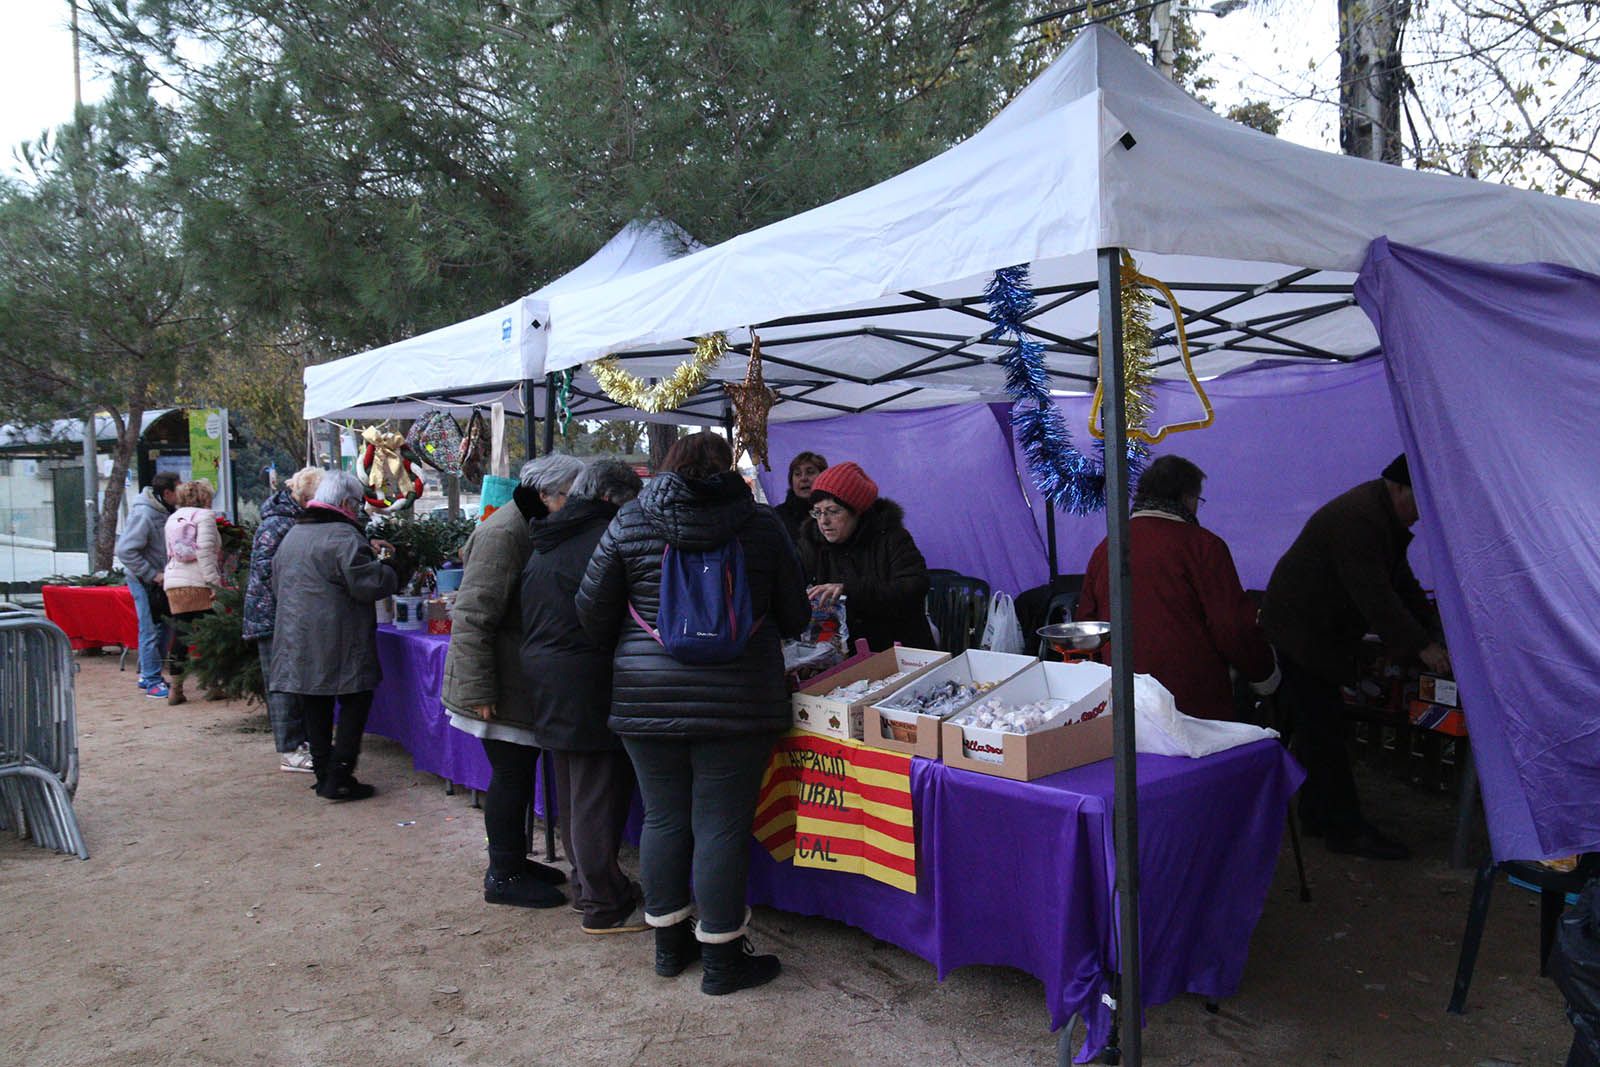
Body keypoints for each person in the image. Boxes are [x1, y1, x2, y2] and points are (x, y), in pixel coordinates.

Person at [577, 431, 809, 995]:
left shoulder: (629, 523)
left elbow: (590, 611)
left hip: (646, 700)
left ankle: (668, 947)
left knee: (663, 819)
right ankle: (723, 961)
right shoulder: (761, 526)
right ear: (726, 469)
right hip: (739, 702)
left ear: (668, 468)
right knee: (721, 827)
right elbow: (796, 614)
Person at [1262, 454, 1449, 861]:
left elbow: (1401, 581)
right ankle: (1345, 829)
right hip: (1302, 631)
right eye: (1419, 503)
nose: (1421, 515)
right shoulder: (1360, 520)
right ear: (1397, 488)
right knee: (1325, 729)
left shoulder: (1382, 518)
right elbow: (1376, 596)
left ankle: (1316, 815)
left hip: (1313, 630)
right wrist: (1424, 646)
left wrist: (1435, 626)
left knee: (1317, 728)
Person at [444, 454, 584, 909]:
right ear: (546, 494)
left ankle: (514, 862)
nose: (573, 505)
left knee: (519, 775)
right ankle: (502, 874)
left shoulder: (526, 524)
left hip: (515, 678)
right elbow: (473, 614)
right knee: (510, 776)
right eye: (569, 496)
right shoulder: (505, 532)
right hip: (499, 684)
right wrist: (481, 688)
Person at [521, 458, 645, 934]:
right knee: (596, 795)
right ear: (612, 499)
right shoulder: (603, 540)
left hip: (550, 675)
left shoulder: (551, 537)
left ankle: (589, 888)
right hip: (588, 677)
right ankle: (603, 902)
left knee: (576, 791)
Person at [1076, 455, 1279, 720]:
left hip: (1125, 699)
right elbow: (1232, 625)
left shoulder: (1108, 546)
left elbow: (1087, 623)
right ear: (1186, 498)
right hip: (1193, 701)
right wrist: (1265, 676)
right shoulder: (1203, 546)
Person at [269, 470, 406, 801]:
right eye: (357, 504)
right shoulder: (343, 537)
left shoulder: (293, 534)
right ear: (345, 503)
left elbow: (276, 584)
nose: (359, 510)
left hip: (295, 636)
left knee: (315, 702)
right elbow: (369, 585)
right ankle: (340, 775)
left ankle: (323, 772)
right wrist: (394, 567)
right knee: (356, 699)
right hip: (339, 637)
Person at [797, 460, 935, 652]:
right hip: (843, 652)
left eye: (833, 511)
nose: (824, 521)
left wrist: (849, 591)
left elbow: (914, 587)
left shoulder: (891, 537)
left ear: (857, 511)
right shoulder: (814, 543)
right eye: (818, 512)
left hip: (899, 647)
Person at [243, 466, 324, 773]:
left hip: (283, 613)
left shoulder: (289, 521)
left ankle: (299, 743)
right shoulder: (279, 525)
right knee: (282, 683)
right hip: (274, 616)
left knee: (292, 682)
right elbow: (269, 575)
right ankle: (290, 749)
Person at [115, 470, 180, 698]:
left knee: (165, 627)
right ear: (167, 492)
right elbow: (125, 550)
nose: (181, 495)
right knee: (150, 628)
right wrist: (152, 574)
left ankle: (150, 673)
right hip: (143, 581)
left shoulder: (168, 511)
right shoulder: (144, 514)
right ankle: (152, 679)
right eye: (178, 490)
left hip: (160, 581)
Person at [161, 480, 223, 707]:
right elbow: (205, 553)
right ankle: (213, 684)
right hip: (198, 582)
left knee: (180, 635)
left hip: (174, 581)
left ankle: (175, 688)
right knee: (210, 635)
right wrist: (214, 584)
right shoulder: (205, 517)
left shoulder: (172, 518)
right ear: (205, 496)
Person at [772, 451, 827, 543]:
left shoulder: (834, 512)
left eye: (810, 472)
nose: (803, 478)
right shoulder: (778, 516)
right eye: (797, 474)